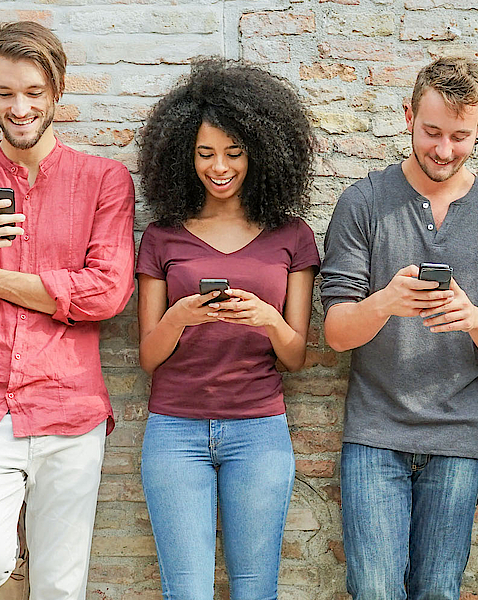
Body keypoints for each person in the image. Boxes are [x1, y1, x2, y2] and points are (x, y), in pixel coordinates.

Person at [0, 22, 135, 600]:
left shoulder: (104, 180)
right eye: (7, 92)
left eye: (34, 92)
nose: (21, 107)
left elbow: (107, 294)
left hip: (69, 403)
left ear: (57, 91)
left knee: (62, 587)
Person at [318, 56, 478, 600]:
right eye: (432, 132)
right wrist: (386, 301)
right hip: (375, 431)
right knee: (374, 590)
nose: (443, 150)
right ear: (408, 115)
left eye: (460, 137)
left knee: (438, 591)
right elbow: (337, 332)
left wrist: (472, 317)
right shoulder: (363, 203)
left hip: (458, 434)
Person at [133, 57, 319, 600]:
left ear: (260, 153)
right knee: (186, 590)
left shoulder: (292, 236)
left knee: (256, 589)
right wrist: (178, 316)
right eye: (205, 153)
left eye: (234, 153)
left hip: (258, 431)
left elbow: (296, 356)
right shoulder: (163, 237)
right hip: (175, 431)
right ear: (182, 156)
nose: (220, 167)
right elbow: (148, 356)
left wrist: (267, 319)